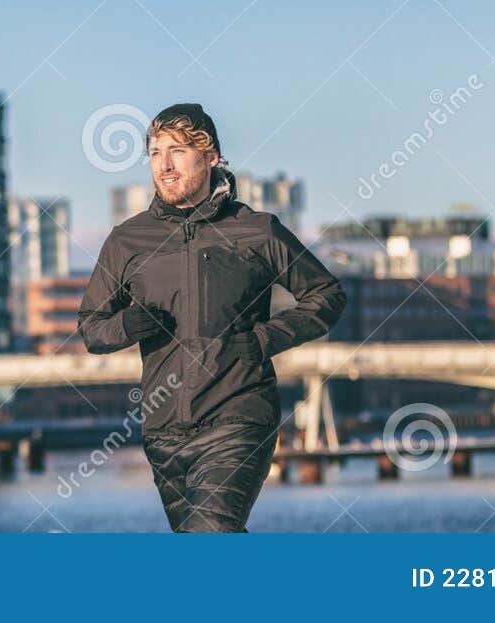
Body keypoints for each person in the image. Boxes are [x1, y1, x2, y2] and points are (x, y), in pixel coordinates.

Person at [78, 103, 346, 532]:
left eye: (178, 151)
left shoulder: (256, 230)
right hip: (164, 431)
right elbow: (91, 327)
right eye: (154, 153)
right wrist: (128, 326)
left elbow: (326, 295)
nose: (164, 165)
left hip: (238, 417)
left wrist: (264, 340)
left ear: (211, 157)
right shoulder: (127, 240)